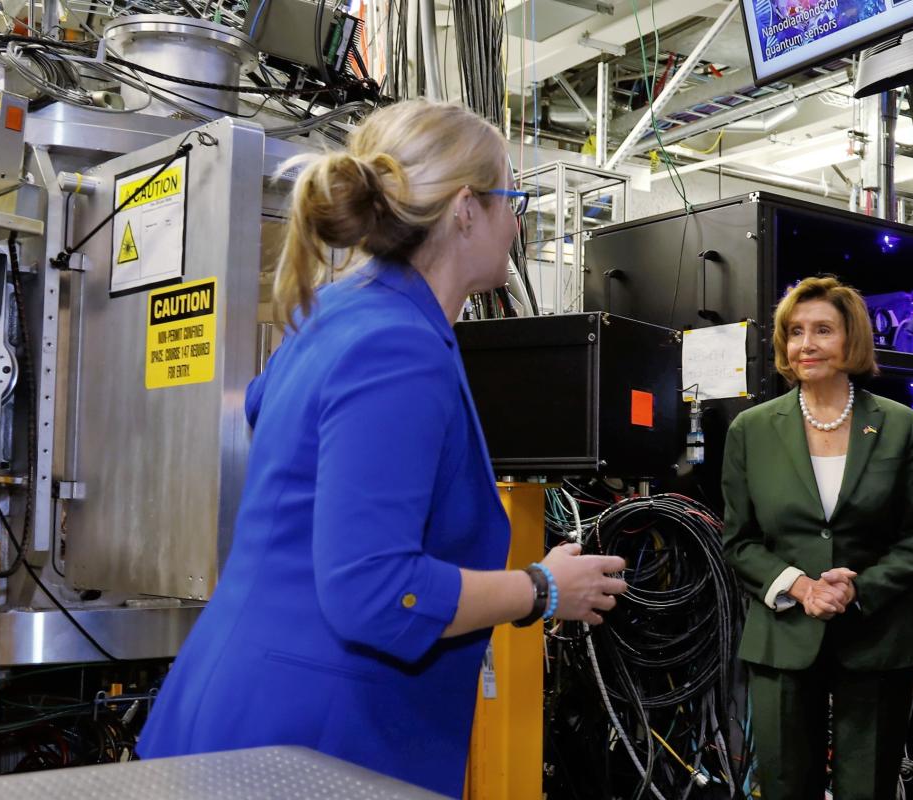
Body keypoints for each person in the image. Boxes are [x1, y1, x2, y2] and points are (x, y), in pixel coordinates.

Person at [137, 101, 628, 797]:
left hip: (243, 704)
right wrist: (543, 588)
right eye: (511, 200)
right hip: (310, 744)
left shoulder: (337, 311)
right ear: (465, 210)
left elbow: (263, 409)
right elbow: (375, 592)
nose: (516, 224)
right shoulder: (397, 345)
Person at [720, 276, 913, 800]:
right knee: (782, 786)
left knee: (867, 787)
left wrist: (857, 587)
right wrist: (800, 586)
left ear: (852, 341)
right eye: (795, 332)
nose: (807, 345)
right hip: (782, 637)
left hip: (875, 637)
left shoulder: (898, 425)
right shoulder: (751, 430)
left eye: (823, 330)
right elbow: (739, 540)